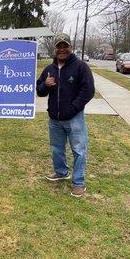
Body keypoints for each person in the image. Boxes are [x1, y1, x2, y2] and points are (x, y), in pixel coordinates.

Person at [36, 33, 95, 197]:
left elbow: (88, 91)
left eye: (65, 46)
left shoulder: (81, 67)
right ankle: (61, 172)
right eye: (59, 46)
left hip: (74, 118)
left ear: (71, 47)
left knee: (79, 150)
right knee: (56, 149)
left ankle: (78, 183)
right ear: (55, 49)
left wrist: (73, 108)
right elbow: (39, 90)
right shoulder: (49, 69)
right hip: (54, 119)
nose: (62, 49)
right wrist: (45, 85)